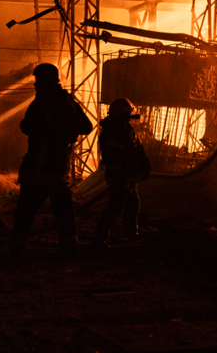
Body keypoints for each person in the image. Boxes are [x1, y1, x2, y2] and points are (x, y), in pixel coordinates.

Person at [10, 63, 92, 260]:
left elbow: (26, 126)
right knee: (64, 212)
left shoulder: (42, 103)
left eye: (38, 80)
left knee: (25, 212)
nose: (36, 84)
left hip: (39, 167)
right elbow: (86, 127)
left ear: (46, 80)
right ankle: (69, 250)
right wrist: (65, 132)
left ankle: (16, 251)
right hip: (59, 169)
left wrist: (48, 130)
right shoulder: (68, 102)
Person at [94, 97, 151, 247]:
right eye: (128, 114)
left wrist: (145, 165)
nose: (130, 118)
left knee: (133, 202)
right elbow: (112, 157)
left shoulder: (126, 131)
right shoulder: (111, 133)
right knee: (116, 204)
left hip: (130, 175)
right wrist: (120, 176)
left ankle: (131, 235)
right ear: (122, 114)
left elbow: (137, 149)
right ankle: (99, 238)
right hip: (120, 176)